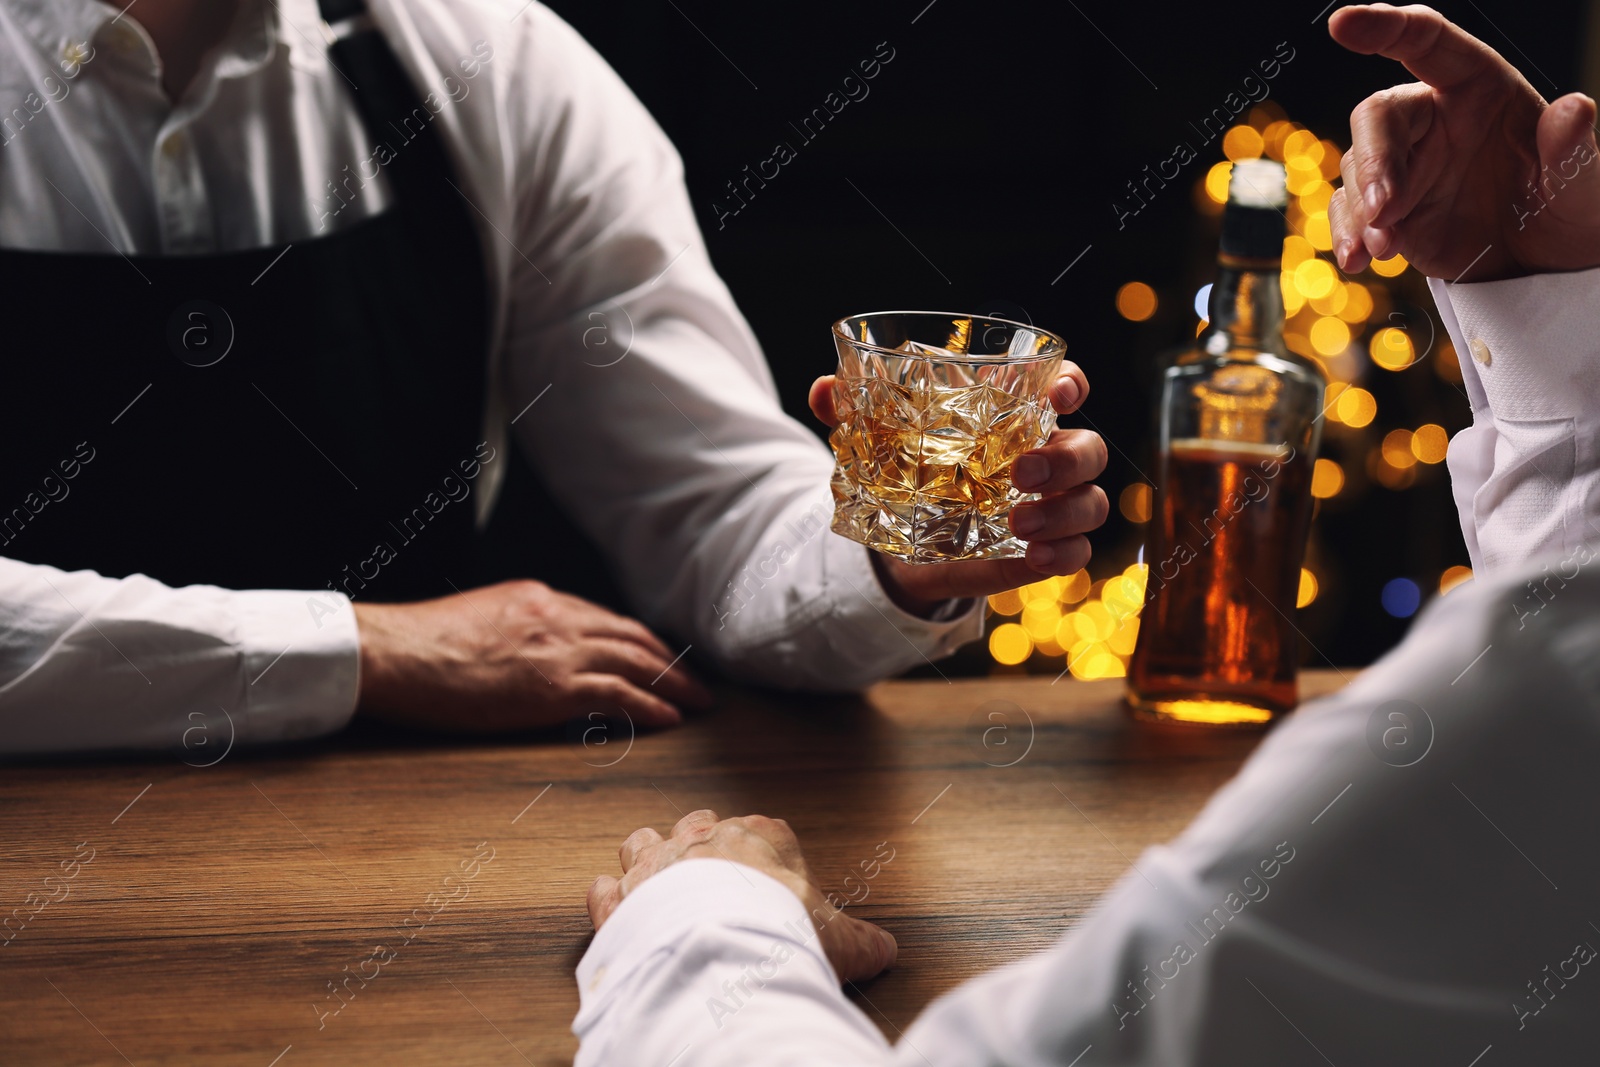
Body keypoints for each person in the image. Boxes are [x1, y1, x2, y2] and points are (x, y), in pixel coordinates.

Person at [572, 6, 1600, 1063]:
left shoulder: (1502, 718)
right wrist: (1535, 285)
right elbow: (1558, 663)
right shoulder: (1534, 701)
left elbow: (1549, 688)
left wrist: (704, 919)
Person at [0, 0, 1108, 753]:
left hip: (390, 853)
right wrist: (367, 647)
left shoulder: (492, 58)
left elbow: (714, 510)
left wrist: (885, 562)